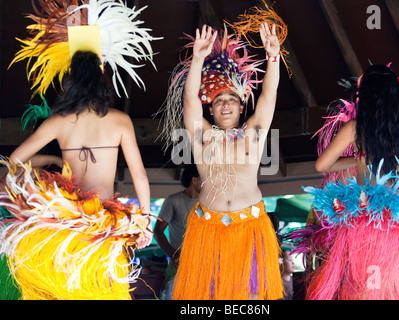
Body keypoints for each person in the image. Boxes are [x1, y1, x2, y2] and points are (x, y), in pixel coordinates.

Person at [0, 50, 152, 299]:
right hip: (104, 224)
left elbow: (14, 161)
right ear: (103, 79)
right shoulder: (120, 121)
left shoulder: (57, 122)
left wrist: (52, 161)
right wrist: (144, 222)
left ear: (70, 82)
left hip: (67, 223)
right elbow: (140, 176)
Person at [300, 64, 399, 300]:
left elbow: (322, 165)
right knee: (396, 291)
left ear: (364, 98)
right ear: (397, 95)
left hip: (366, 219)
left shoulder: (355, 128)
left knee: (364, 290)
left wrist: (357, 158)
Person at [165, 22, 284, 300]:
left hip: (251, 227)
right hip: (207, 228)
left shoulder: (253, 134)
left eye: (232, 99)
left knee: (251, 297)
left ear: (242, 105)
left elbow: (269, 95)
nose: (226, 104)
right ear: (212, 108)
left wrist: (273, 56)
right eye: (219, 100)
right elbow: (189, 101)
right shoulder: (202, 136)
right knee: (207, 297)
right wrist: (197, 58)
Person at [155, 164, 201, 299]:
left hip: (204, 263)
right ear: (194, 180)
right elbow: (158, 231)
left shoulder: (209, 202)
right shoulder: (173, 201)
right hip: (180, 265)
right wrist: (173, 255)